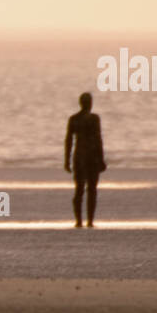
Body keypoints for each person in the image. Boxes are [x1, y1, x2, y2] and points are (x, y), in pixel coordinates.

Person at [64, 92, 106, 228]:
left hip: (79, 157)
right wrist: (101, 159)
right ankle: (89, 221)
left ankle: (79, 221)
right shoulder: (94, 119)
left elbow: (68, 141)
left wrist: (67, 159)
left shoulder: (74, 119)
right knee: (91, 189)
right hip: (91, 157)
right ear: (89, 103)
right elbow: (98, 139)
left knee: (80, 189)